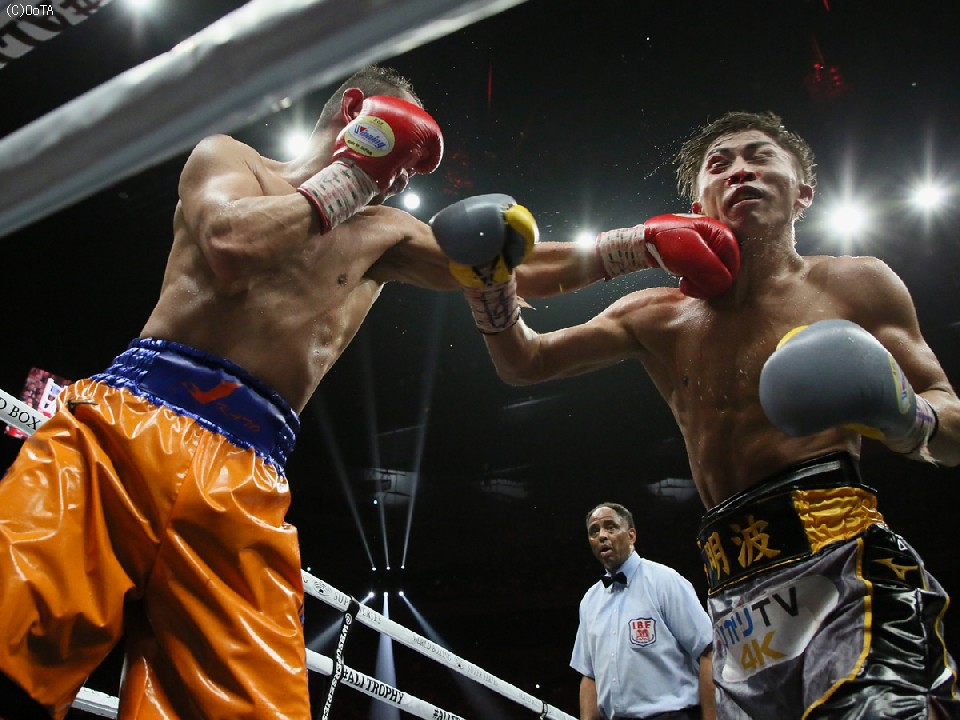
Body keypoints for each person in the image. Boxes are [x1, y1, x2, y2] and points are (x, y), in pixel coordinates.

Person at [0, 66, 598, 720]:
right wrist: (357, 174)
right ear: (355, 108)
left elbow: (513, 267)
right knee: (9, 641)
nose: (404, 177)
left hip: (244, 480)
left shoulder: (385, 234)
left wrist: (636, 248)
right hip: (122, 432)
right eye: (402, 153)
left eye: (410, 168)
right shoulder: (230, 160)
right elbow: (231, 243)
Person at [431, 112, 960, 718]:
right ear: (697, 204)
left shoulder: (857, 284)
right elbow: (526, 363)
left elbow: (951, 427)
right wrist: (488, 286)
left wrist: (904, 414)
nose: (741, 171)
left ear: (803, 193)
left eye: (760, 156)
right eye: (720, 163)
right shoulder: (656, 314)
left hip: (843, 561)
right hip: (736, 597)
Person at [572, 502, 715, 720]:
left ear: (631, 535)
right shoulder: (589, 601)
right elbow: (589, 676)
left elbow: (707, 651)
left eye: (610, 527)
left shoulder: (664, 581)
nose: (602, 535)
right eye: (594, 531)